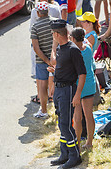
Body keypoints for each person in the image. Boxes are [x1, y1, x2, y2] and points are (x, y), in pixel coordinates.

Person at [48, 19, 86, 168]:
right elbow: (61, 66)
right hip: (59, 89)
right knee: (61, 123)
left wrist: (77, 95)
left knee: (66, 125)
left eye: (53, 34)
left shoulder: (72, 50)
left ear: (57, 34)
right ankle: (64, 154)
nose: (52, 36)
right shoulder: (60, 48)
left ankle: (74, 156)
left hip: (68, 90)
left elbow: (82, 74)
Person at [69, 28, 96, 151]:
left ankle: (78, 144)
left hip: (78, 86)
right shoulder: (89, 49)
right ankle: (89, 142)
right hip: (90, 84)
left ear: (73, 39)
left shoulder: (73, 53)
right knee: (89, 115)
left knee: (77, 117)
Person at [30, 2, 55, 118]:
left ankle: (44, 111)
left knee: (42, 87)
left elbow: (36, 48)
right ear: (48, 11)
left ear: (38, 13)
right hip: (57, 59)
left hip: (41, 62)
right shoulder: (55, 23)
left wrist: (46, 60)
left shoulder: (35, 27)